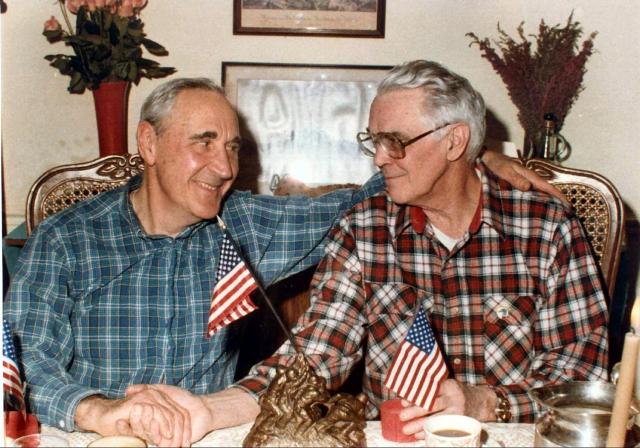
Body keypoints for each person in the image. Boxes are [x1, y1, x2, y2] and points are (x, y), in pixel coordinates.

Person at [4, 76, 560, 447]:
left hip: (210, 436)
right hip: (90, 437)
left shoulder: (243, 224)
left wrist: (472, 155)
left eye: (233, 147)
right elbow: (20, 366)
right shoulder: (67, 241)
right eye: (204, 142)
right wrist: (100, 412)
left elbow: (377, 189)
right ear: (148, 144)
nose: (223, 166)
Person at [133, 61, 608, 444]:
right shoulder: (366, 228)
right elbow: (314, 357)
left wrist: (487, 403)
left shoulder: (546, 229)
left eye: (395, 142)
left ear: (455, 141)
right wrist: (211, 409)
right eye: (374, 141)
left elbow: (582, 380)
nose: (379, 158)